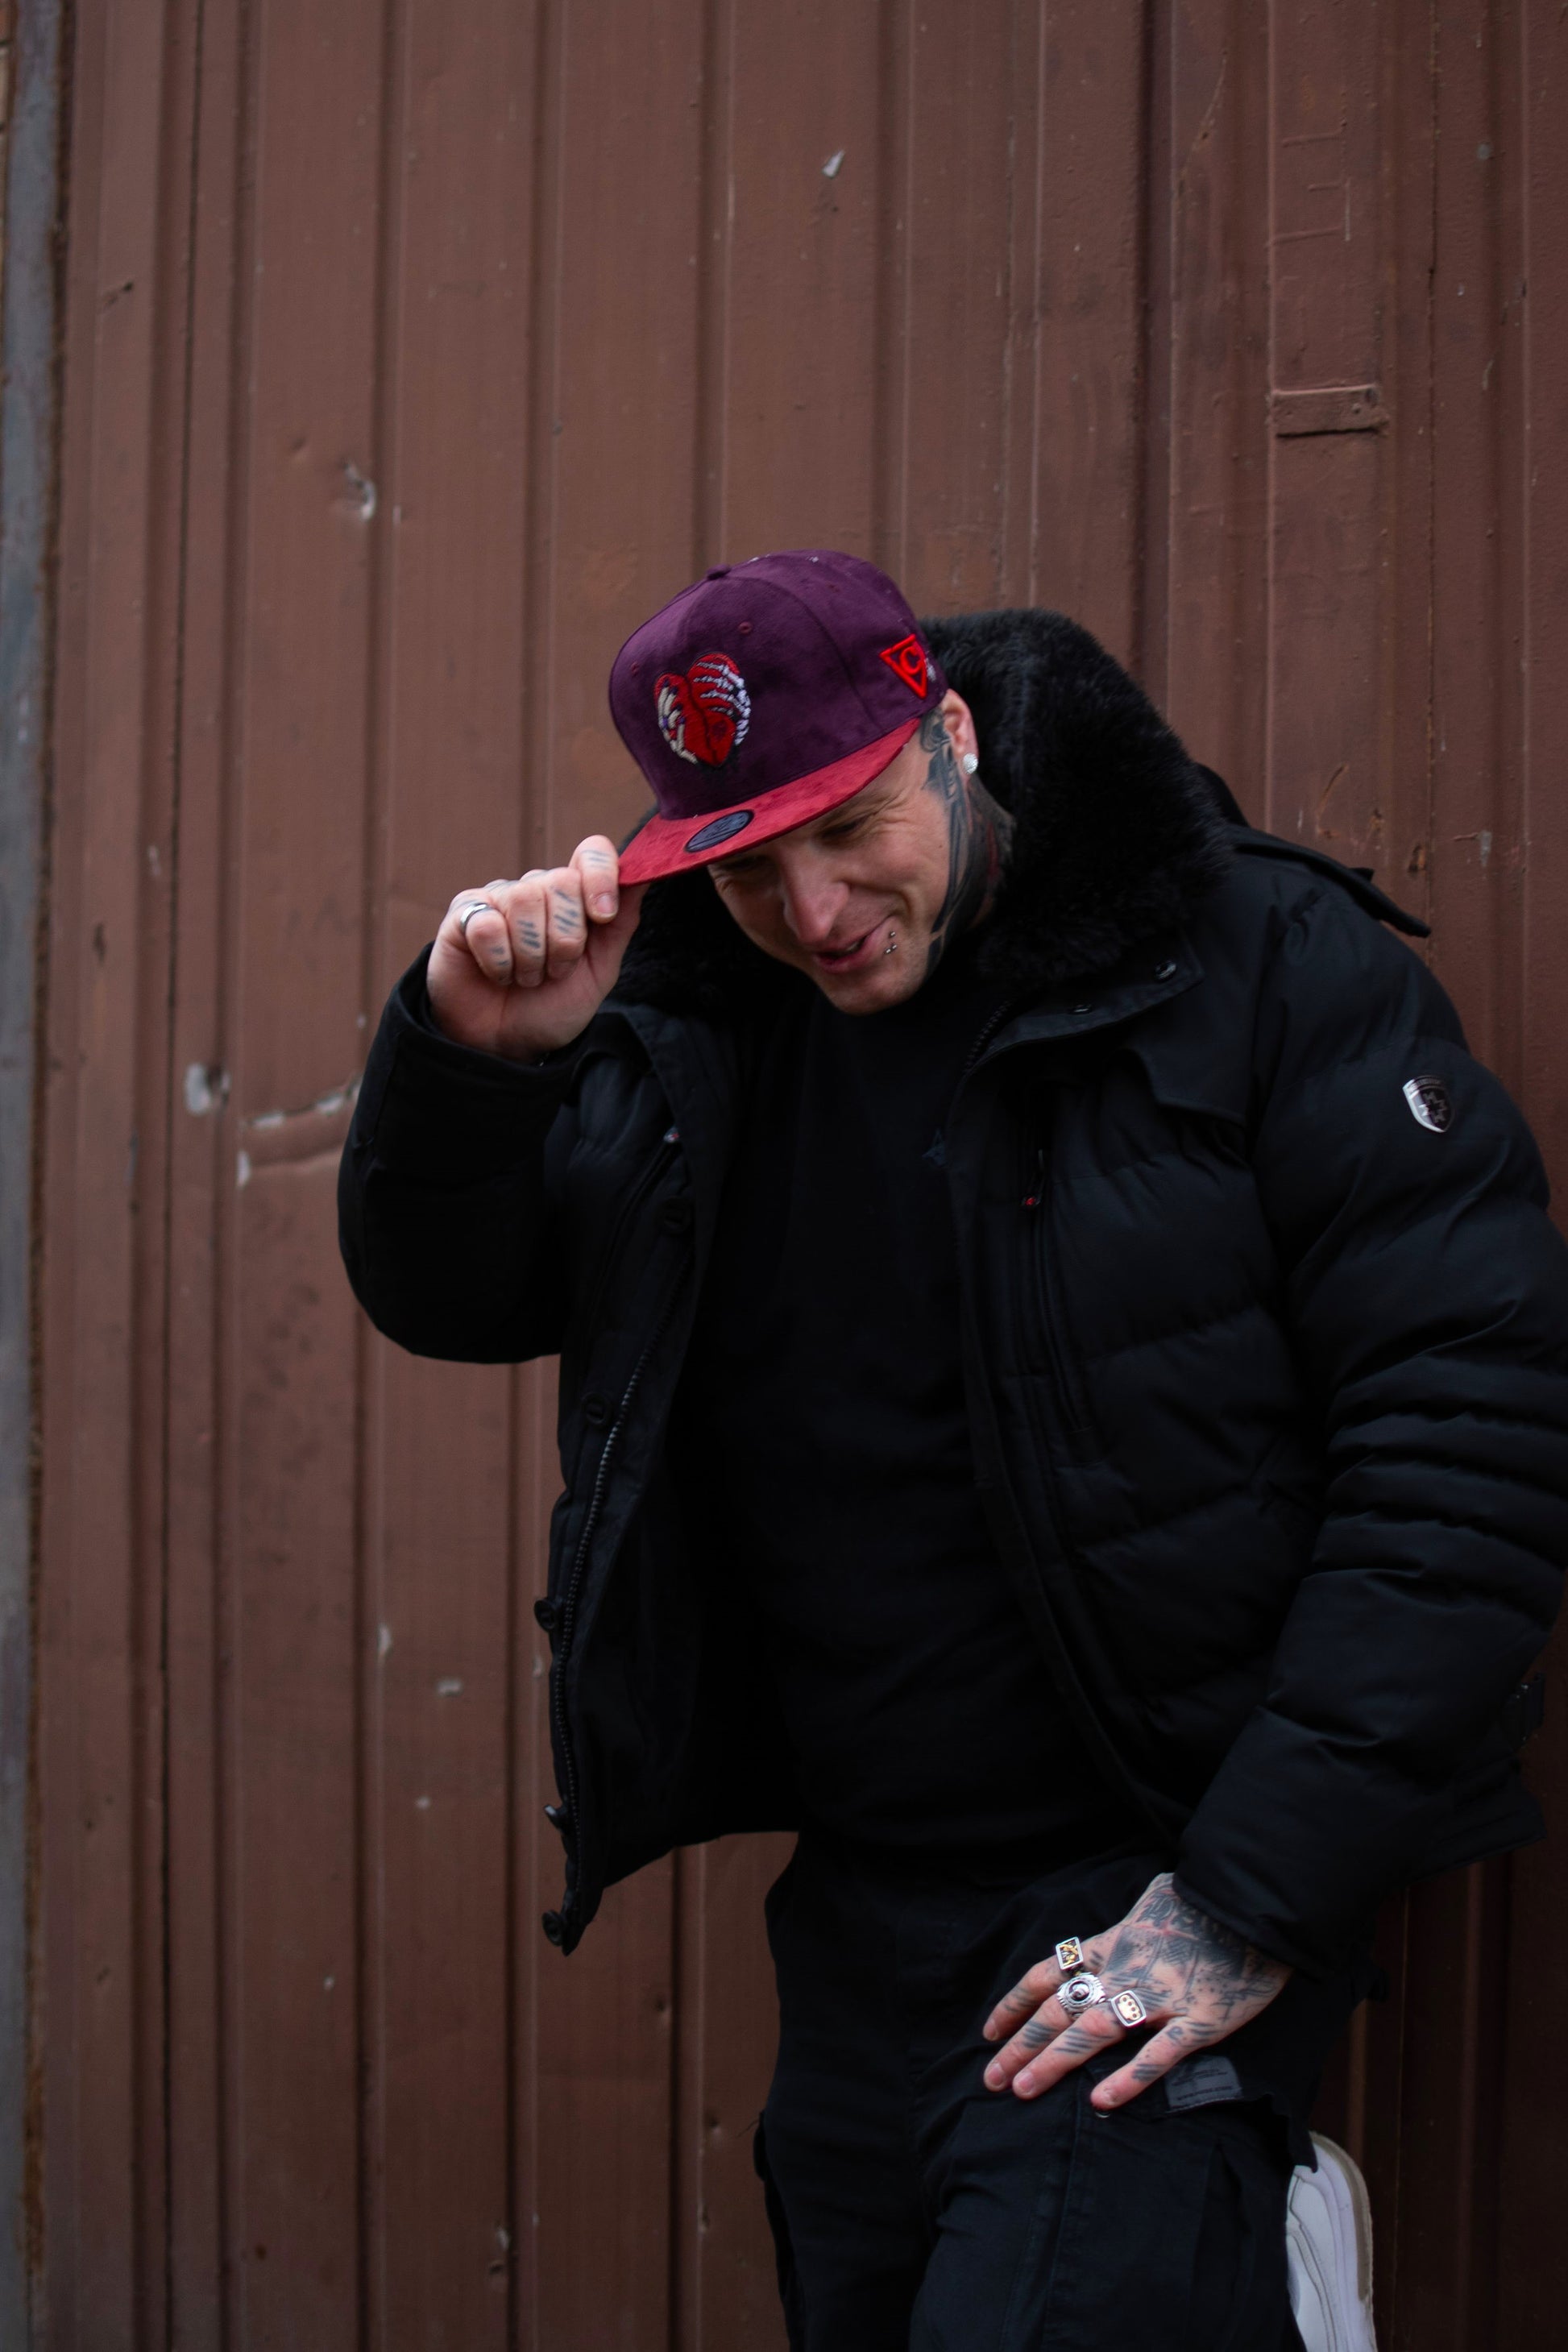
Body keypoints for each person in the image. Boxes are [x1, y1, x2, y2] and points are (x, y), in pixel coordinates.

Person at [339, 550, 1568, 2349]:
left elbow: (1469, 1434)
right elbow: (457, 1288)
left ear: (954, 732)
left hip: (1137, 1890)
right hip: (857, 1922)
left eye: (852, 826)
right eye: (750, 865)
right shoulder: (702, 1022)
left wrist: (1246, 1895)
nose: (816, 907)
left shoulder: (1249, 961)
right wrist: (477, 1059)